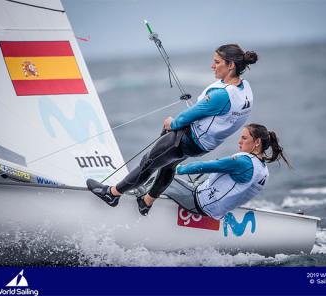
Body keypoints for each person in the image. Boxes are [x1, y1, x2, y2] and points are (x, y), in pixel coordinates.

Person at [87, 44, 258, 215]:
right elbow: (220, 116)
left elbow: (187, 117)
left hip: (187, 139)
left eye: (217, 62)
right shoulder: (245, 90)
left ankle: (112, 194)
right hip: (203, 146)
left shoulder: (221, 95)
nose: (212, 66)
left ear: (231, 65)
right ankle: (146, 202)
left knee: (148, 163)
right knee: (169, 165)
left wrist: (173, 123)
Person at [151, 124, 291, 219]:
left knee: (160, 178)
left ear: (257, 142)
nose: (239, 142)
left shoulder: (244, 162)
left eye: (244, 138)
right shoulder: (263, 170)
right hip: (216, 211)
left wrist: (176, 168)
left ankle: (142, 203)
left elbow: (205, 166)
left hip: (198, 202)